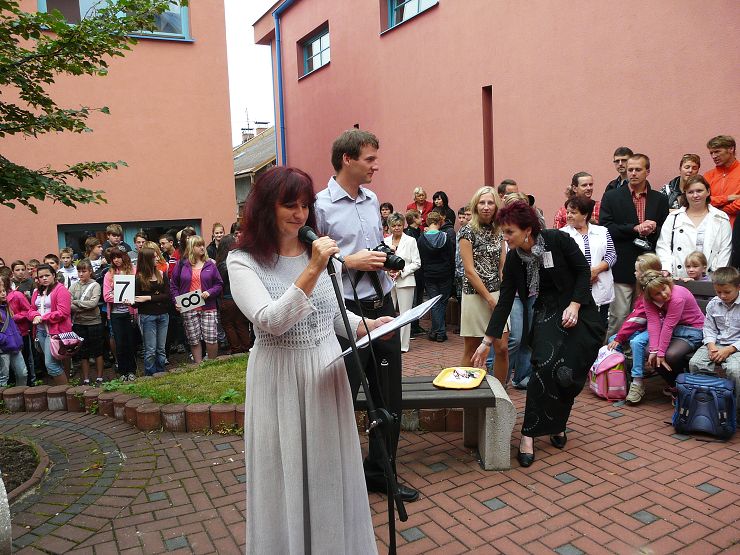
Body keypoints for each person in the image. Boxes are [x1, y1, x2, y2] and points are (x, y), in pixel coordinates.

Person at [227, 166, 383, 554]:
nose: (300, 215)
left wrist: (365, 326)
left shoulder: (318, 253)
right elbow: (271, 321)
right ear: (266, 207)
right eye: (289, 206)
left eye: (305, 205)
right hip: (280, 378)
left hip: (327, 375)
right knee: (285, 473)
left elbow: (332, 314)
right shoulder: (243, 262)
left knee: (330, 470)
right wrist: (313, 267)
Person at [315, 128, 418, 502]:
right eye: (370, 159)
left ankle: (381, 472)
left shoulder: (373, 199)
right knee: (340, 398)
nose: (377, 165)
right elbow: (313, 264)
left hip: (383, 304)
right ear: (348, 159)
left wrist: (383, 260)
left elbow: (372, 246)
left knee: (389, 397)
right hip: (345, 313)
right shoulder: (319, 206)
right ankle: (332, 479)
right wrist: (348, 261)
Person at [472, 201, 604, 467]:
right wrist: (487, 341)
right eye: (503, 232)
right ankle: (528, 433)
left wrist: (575, 305)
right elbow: (505, 301)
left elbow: (582, 271)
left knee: (568, 373)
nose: (505, 237)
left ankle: (557, 424)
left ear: (528, 230)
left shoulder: (557, 240)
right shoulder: (514, 258)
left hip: (578, 308)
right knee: (543, 366)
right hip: (546, 310)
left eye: (509, 232)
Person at [599, 153, 669, 337]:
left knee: (644, 316)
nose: (633, 173)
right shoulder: (611, 197)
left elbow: (667, 230)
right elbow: (605, 228)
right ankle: (612, 352)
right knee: (619, 316)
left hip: (649, 266)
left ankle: (636, 352)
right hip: (622, 265)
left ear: (648, 171)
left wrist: (652, 229)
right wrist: (634, 228)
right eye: (630, 169)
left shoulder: (660, 199)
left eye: (638, 169)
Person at [458, 186, 508, 382]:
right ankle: (464, 391)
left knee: (502, 348)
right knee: (471, 348)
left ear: (496, 206)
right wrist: (489, 299)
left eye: (490, 203)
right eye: (482, 202)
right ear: (475, 205)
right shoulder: (467, 231)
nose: (486, 207)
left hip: (497, 293)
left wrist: (504, 293)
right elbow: (469, 271)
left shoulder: (499, 229)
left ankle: (500, 391)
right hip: (474, 295)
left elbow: (502, 264)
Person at [606, 253, 663, 405]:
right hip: (645, 327)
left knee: (636, 342)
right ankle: (621, 377)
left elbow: (636, 319)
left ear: (646, 273)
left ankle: (637, 381)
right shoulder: (643, 289)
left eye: (637, 270)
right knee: (612, 340)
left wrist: (621, 338)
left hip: (657, 329)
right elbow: (636, 318)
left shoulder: (653, 290)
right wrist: (618, 338)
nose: (635, 273)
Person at [639, 270, 704, 392]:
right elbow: (653, 323)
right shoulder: (648, 300)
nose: (663, 295)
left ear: (668, 283)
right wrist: (654, 350)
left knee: (670, 355)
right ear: (650, 296)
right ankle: (676, 386)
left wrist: (661, 353)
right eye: (657, 294)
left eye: (664, 289)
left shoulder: (677, 297)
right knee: (649, 353)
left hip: (693, 329)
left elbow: (668, 325)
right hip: (674, 330)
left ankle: (685, 385)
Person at [656, 175, 731, 278]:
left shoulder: (720, 218)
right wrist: (666, 268)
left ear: (708, 192)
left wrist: (719, 275)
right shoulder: (674, 218)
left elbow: (725, 249)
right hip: (678, 278)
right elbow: (663, 246)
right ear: (685, 194)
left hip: (711, 279)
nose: (695, 195)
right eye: (690, 192)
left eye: (699, 191)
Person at [560, 195, 616, 326]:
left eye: (573, 212)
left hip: (599, 288)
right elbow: (561, 262)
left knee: (599, 326)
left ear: (585, 215)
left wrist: (595, 271)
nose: (569, 215)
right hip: (574, 291)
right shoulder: (561, 234)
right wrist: (584, 276)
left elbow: (611, 255)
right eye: (568, 212)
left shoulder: (602, 231)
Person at [689, 266, 740, 408]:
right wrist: (711, 346)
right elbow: (709, 328)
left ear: (738, 287)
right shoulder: (713, 304)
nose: (722, 296)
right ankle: (706, 402)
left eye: (727, 292)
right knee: (696, 363)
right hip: (716, 343)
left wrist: (729, 349)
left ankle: (735, 407)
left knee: (736, 371)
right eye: (718, 292)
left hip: (737, 346)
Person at [171, 235, 223, 363]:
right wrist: (176, 301)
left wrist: (209, 292)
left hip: (208, 306)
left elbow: (219, 284)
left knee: (211, 338)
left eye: (202, 245)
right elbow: (173, 285)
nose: (202, 248)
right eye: (198, 245)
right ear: (191, 248)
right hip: (189, 307)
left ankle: (212, 364)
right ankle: (198, 365)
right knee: (194, 339)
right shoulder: (181, 264)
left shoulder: (210, 264)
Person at [28, 264, 72, 385]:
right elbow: (31, 309)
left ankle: (66, 391)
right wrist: (34, 316)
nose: (44, 278)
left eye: (47, 275)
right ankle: (65, 389)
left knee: (51, 365)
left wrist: (42, 318)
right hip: (40, 332)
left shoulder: (61, 290)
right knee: (55, 363)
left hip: (55, 332)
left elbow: (64, 312)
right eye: (41, 276)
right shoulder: (37, 291)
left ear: (53, 275)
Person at [383, 212, 420, 352]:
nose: (397, 228)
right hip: (388, 281)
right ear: (389, 227)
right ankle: (389, 343)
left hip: (406, 281)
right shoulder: (385, 241)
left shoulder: (410, 240)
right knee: (388, 313)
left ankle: (403, 345)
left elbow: (417, 263)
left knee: (405, 314)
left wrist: (401, 271)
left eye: (399, 225)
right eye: (394, 225)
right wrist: (387, 271)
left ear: (403, 225)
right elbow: (382, 261)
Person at [417, 211, 455, 342]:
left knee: (434, 302)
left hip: (429, 274)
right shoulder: (445, 237)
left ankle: (436, 331)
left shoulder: (421, 239)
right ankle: (440, 332)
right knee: (443, 301)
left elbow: (420, 258)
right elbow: (451, 257)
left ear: (427, 222)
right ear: (439, 222)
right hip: (445, 273)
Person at [132, 247, 170, 376]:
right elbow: (136, 301)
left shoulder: (161, 274)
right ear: (147, 260)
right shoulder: (138, 278)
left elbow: (167, 296)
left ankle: (161, 373)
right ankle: (150, 375)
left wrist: (148, 298)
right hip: (147, 316)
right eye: (154, 256)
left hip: (163, 314)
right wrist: (130, 301)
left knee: (161, 348)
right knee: (150, 350)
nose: (157, 258)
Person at [103, 249, 138, 381]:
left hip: (130, 313)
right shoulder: (109, 274)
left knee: (131, 342)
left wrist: (116, 293)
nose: (116, 260)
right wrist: (121, 296)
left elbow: (137, 290)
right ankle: (123, 371)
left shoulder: (133, 271)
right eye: (113, 258)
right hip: (116, 314)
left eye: (119, 257)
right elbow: (106, 296)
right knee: (120, 343)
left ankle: (132, 370)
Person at [69, 259, 104, 385]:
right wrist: (84, 305)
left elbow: (93, 303)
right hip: (79, 323)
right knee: (83, 352)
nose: (81, 274)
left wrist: (76, 302)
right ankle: (86, 378)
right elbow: (68, 304)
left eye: (84, 271)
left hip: (94, 322)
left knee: (98, 350)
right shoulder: (73, 286)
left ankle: (99, 377)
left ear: (90, 271)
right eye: (79, 271)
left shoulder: (95, 285)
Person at [216, 234, 253, 354]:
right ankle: (246, 346)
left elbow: (220, 283)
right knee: (241, 323)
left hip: (227, 299)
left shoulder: (221, 265)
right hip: (240, 297)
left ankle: (236, 349)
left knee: (229, 324)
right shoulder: (239, 261)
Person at [3, 274, 34, 385]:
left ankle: (28, 386)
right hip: (4, 340)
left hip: (19, 334)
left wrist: (16, 317)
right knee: (6, 372)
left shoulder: (16, 296)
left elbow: (28, 310)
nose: (2, 293)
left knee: (24, 365)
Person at [705, 135, 740, 226]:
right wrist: (728, 198)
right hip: (712, 226)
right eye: (711, 153)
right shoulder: (708, 175)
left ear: (731, 149)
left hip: (736, 226)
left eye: (717, 151)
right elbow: (704, 200)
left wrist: (721, 210)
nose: (714, 156)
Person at [0, 279, 27, 387]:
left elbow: (13, 326)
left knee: (23, 373)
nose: (3, 293)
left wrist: (18, 338)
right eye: (0, 292)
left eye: (3, 291)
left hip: (15, 345)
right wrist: (3, 339)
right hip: (2, 348)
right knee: (3, 376)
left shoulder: (6, 307)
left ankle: (20, 394)